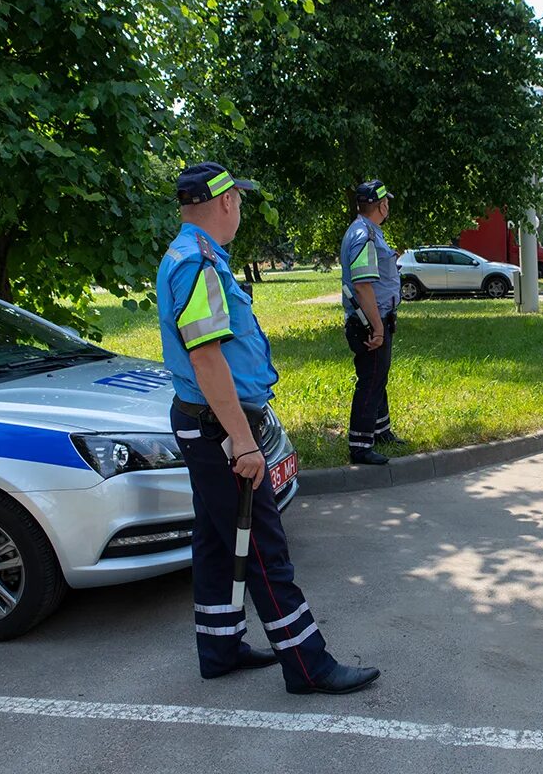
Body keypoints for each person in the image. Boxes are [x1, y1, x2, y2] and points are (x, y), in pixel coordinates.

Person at [156, 161, 379, 695]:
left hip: (205, 423)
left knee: (215, 539)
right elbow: (206, 358)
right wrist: (243, 440)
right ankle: (308, 666)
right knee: (262, 547)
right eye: (239, 199)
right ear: (226, 201)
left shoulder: (189, 255)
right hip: (219, 429)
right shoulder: (200, 264)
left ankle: (220, 647)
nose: (241, 208)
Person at [340, 179, 406, 465]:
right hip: (369, 322)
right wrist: (378, 327)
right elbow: (363, 285)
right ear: (382, 205)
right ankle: (360, 445)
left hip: (376, 318)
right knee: (370, 381)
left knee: (379, 377)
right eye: (386, 202)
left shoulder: (366, 231)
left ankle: (380, 431)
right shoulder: (364, 234)